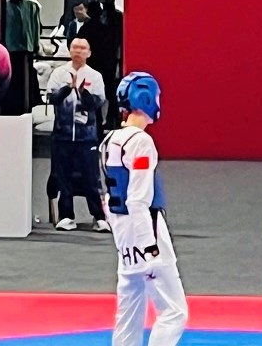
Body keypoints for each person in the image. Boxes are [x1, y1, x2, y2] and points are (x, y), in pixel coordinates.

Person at [100, 72, 188, 346]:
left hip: (124, 234)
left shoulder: (108, 141)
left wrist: (122, 242)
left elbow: (106, 198)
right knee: (174, 312)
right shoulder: (140, 142)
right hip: (145, 231)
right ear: (147, 99)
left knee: (129, 312)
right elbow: (138, 199)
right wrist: (149, 247)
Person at [46, 38, 109, 232]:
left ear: (89, 53)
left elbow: (96, 104)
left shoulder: (95, 76)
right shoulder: (58, 73)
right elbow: (52, 98)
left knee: (91, 177)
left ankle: (99, 217)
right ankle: (66, 216)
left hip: (87, 136)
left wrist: (83, 93)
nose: (78, 51)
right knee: (63, 176)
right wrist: (68, 89)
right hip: (62, 135)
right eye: (75, 48)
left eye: (82, 48)